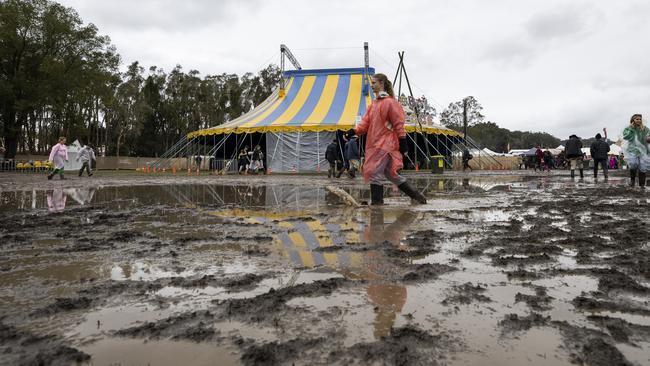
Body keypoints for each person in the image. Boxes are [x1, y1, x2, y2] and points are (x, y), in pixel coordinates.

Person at [348, 73, 426, 205]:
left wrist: (403, 142)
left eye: (374, 83)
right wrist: (354, 130)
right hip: (375, 143)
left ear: (382, 83)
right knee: (391, 174)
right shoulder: (373, 105)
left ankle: (377, 205)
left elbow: (398, 124)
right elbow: (365, 122)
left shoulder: (390, 103)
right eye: (371, 83)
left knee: (375, 173)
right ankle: (418, 197)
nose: (372, 86)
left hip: (385, 145)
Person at [622, 114, 650, 187]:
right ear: (633, 120)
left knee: (643, 167)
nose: (639, 120)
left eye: (640, 119)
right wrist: (631, 129)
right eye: (637, 119)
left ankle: (642, 184)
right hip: (632, 150)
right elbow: (626, 137)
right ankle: (632, 181)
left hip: (643, 151)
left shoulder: (645, 129)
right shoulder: (628, 128)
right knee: (633, 164)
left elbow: (648, 136)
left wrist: (648, 139)